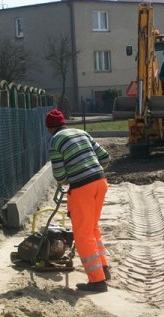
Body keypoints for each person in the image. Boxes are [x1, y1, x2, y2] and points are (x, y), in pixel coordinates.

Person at [44, 109, 111, 293]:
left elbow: (60, 176)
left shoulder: (55, 141)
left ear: (50, 128)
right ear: (64, 122)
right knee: (93, 228)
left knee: (82, 235)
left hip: (83, 188)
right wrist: (90, 168)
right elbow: (105, 157)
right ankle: (103, 268)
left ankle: (97, 281)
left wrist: (72, 176)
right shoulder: (82, 133)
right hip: (100, 182)